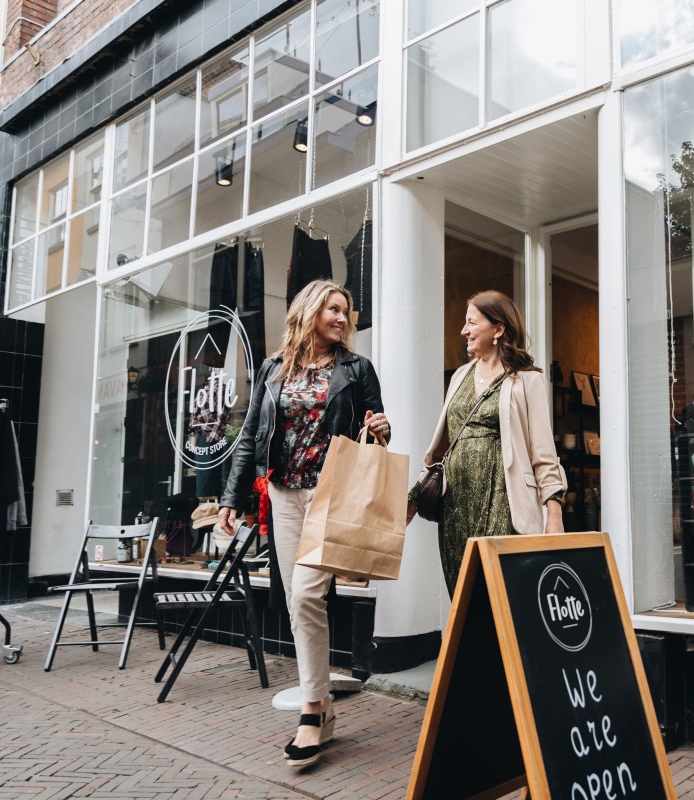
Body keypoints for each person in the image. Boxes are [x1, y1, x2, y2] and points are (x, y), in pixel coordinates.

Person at [218, 279, 390, 770]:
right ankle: (322, 704)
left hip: (331, 493)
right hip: (282, 494)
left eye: (347, 311)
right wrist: (233, 498)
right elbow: (251, 435)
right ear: (310, 310)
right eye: (334, 308)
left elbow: (379, 426)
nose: (342, 317)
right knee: (299, 602)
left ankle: (313, 709)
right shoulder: (275, 368)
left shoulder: (356, 369)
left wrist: (382, 426)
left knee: (308, 595)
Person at [407, 290, 566, 596]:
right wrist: (415, 495)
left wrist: (554, 515)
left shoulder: (527, 380)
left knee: (501, 593)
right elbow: (445, 445)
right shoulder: (460, 376)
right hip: (456, 504)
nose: (464, 331)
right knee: (463, 596)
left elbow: (544, 454)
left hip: (503, 501)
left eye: (471, 322)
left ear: (499, 328)